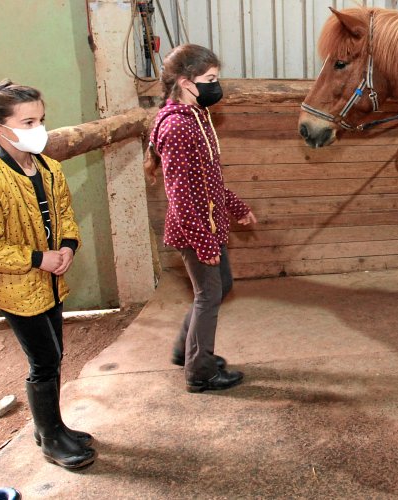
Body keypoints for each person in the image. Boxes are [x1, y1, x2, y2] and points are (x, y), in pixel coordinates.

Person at [0, 81, 96, 470]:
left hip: (49, 281)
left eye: (41, 119)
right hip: (17, 286)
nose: (39, 128)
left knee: (53, 354)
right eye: (28, 121)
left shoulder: (49, 168)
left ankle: (50, 426)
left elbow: (65, 213)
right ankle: (51, 438)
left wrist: (68, 246)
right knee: (44, 358)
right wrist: (38, 258)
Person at [145, 44, 255, 393]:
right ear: (185, 82)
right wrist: (204, 242)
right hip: (195, 229)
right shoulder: (178, 127)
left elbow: (208, 179)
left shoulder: (198, 117)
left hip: (209, 223)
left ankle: (186, 350)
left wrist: (235, 207)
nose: (215, 86)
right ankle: (200, 372)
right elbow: (180, 193)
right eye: (209, 79)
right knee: (209, 295)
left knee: (220, 287)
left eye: (216, 78)